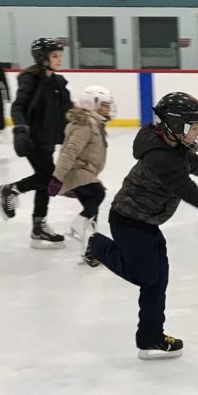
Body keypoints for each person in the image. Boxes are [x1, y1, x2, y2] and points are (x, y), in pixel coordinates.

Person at [84, 92, 198, 360]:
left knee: (157, 280)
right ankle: (97, 245)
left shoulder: (172, 147)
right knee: (147, 279)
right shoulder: (161, 159)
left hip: (148, 222)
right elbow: (192, 194)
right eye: (193, 127)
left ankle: (150, 337)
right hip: (129, 221)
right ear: (175, 125)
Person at [0, 38, 73, 249]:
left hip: (48, 139)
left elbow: (67, 110)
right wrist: (21, 129)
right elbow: (18, 107)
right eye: (55, 56)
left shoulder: (58, 82)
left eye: (60, 56)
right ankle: (10, 189)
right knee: (49, 177)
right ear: (42, 58)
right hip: (32, 139)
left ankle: (39, 226)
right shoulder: (31, 79)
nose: (59, 60)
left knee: (45, 182)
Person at [48, 85, 115, 262]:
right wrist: (57, 178)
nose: (108, 109)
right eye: (104, 105)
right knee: (98, 194)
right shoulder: (85, 124)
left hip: (84, 172)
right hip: (76, 172)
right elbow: (69, 151)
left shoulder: (94, 123)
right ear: (93, 104)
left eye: (108, 105)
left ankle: (90, 252)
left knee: (92, 211)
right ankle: (78, 225)